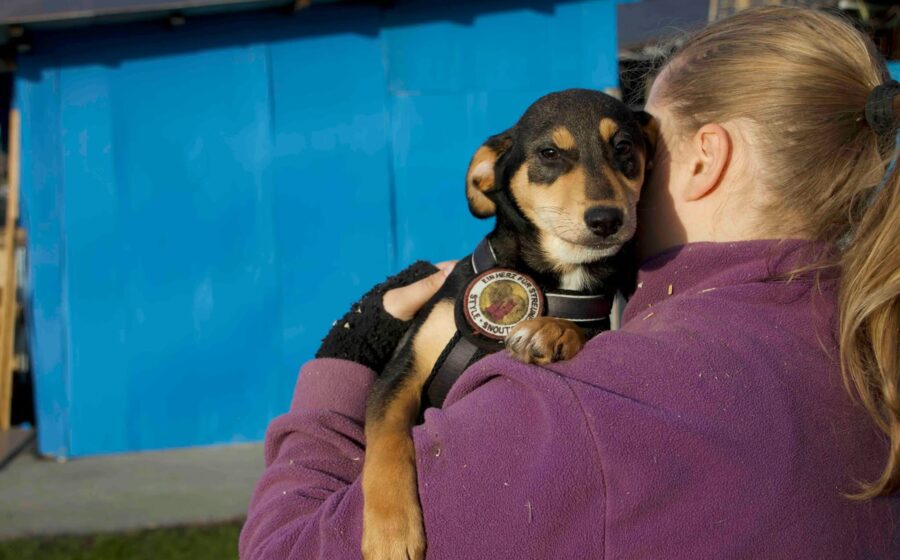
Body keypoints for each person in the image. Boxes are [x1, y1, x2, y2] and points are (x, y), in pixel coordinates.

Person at [239, 6, 900, 559]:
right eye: (558, 158)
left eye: (636, 153)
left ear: (705, 160)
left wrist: (346, 358)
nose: (602, 190)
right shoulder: (874, 350)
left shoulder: (580, 411)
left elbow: (284, 550)